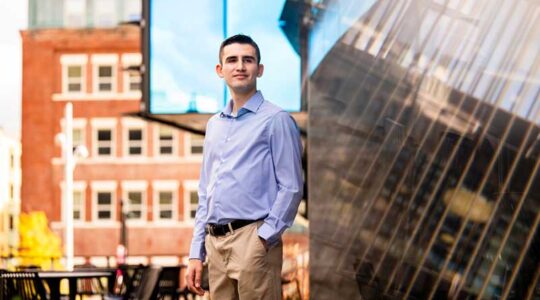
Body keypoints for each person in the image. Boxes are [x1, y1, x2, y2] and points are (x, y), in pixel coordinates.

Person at [185, 34, 303, 299]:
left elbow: (292, 187)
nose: (240, 66)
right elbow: (206, 191)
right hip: (215, 244)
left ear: (259, 69)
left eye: (248, 60)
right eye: (232, 60)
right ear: (220, 70)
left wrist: (264, 238)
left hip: (253, 240)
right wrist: (196, 251)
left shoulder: (276, 120)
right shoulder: (214, 125)